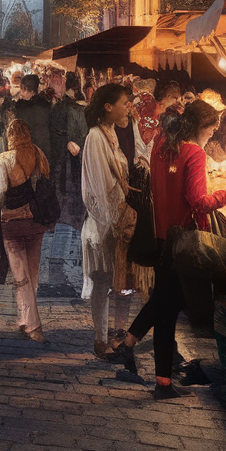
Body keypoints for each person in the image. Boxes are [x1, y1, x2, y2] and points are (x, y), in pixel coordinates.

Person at [113, 100, 226, 399]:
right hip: (185, 239)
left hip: (163, 235)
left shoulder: (162, 144)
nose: (214, 133)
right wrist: (224, 195)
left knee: (164, 303)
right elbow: (198, 199)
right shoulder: (194, 152)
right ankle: (159, 380)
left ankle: (134, 352)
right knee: (167, 306)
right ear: (202, 126)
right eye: (213, 128)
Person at [80, 83, 137, 358]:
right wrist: (112, 221)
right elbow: (99, 187)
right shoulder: (95, 137)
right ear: (108, 107)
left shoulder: (111, 134)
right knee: (102, 283)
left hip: (116, 222)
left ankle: (114, 335)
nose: (129, 107)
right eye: (125, 103)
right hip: (104, 225)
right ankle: (100, 341)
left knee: (117, 283)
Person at [0, 119, 54, 342]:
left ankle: (33, 326)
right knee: (32, 274)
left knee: (20, 277)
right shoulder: (39, 154)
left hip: (12, 225)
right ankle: (25, 319)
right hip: (36, 222)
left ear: (10, 137)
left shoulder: (4, 159)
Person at [49, 73, 89, 230]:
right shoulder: (66, 107)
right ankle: (72, 216)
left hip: (66, 151)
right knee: (69, 184)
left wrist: (70, 141)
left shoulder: (66, 108)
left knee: (67, 184)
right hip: (67, 151)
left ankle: (69, 216)